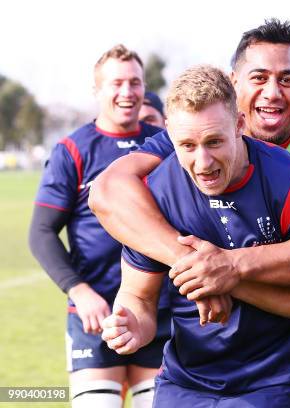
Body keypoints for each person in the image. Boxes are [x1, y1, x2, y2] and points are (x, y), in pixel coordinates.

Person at [89, 19, 290, 408]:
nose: (273, 93)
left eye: (287, 80)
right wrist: (196, 266)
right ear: (234, 83)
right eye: (259, 77)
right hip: (204, 363)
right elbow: (107, 191)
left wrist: (230, 268)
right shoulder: (191, 137)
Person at [28, 44, 169, 408]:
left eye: (135, 82)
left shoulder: (163, 146)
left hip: (159, 312)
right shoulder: (73, 150)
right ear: (98, 90)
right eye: (116, 83)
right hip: (96, 317)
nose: (127, 92)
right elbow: (41, 232)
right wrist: (79, 291)